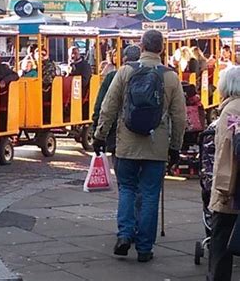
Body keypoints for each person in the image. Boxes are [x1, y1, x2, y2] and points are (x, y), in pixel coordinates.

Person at [93, 30, 186, 262]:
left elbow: (109, 107)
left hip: (127, 144)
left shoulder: (125, 72)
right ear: (161, 49)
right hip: (157, 146)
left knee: (127, 189)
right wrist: (175, 147)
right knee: (150, 194)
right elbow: (179, 117)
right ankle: (145, 248)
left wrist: (100, 135)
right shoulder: (171, 77)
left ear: (142, 46)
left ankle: (124, 235)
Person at [207, 66, 240, 281]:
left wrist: (222, 189)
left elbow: (226, 153)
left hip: (232, 191)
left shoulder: (231, 111)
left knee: (221, 241)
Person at [92, 45, 141, 171]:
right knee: (147, 186)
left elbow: (104, 106)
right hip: (151, 139)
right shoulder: (159, 75)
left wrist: (98, 134)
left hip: (119, 135)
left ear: (124, 59)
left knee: (126, 185)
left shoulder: (113, 76)